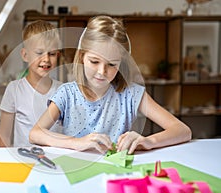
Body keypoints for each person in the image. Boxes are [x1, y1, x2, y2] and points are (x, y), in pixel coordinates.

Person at [29, 15, 192, 154]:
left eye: (112, 64)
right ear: (81, 57)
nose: (102, 71)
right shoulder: (66, 94)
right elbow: (35, 134)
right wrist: (75, 143)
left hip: (117, 175)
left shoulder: (131, 94)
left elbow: (183, 131)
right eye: (94, 61)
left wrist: (149, 141)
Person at [0, 20, 62, 147]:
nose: (46, 59)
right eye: (39, 53)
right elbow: (4, 135)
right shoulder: (14, 89)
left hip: (56, 162)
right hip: (24, 162)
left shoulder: (63, 90)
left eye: (52, 54)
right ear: (25, 55)